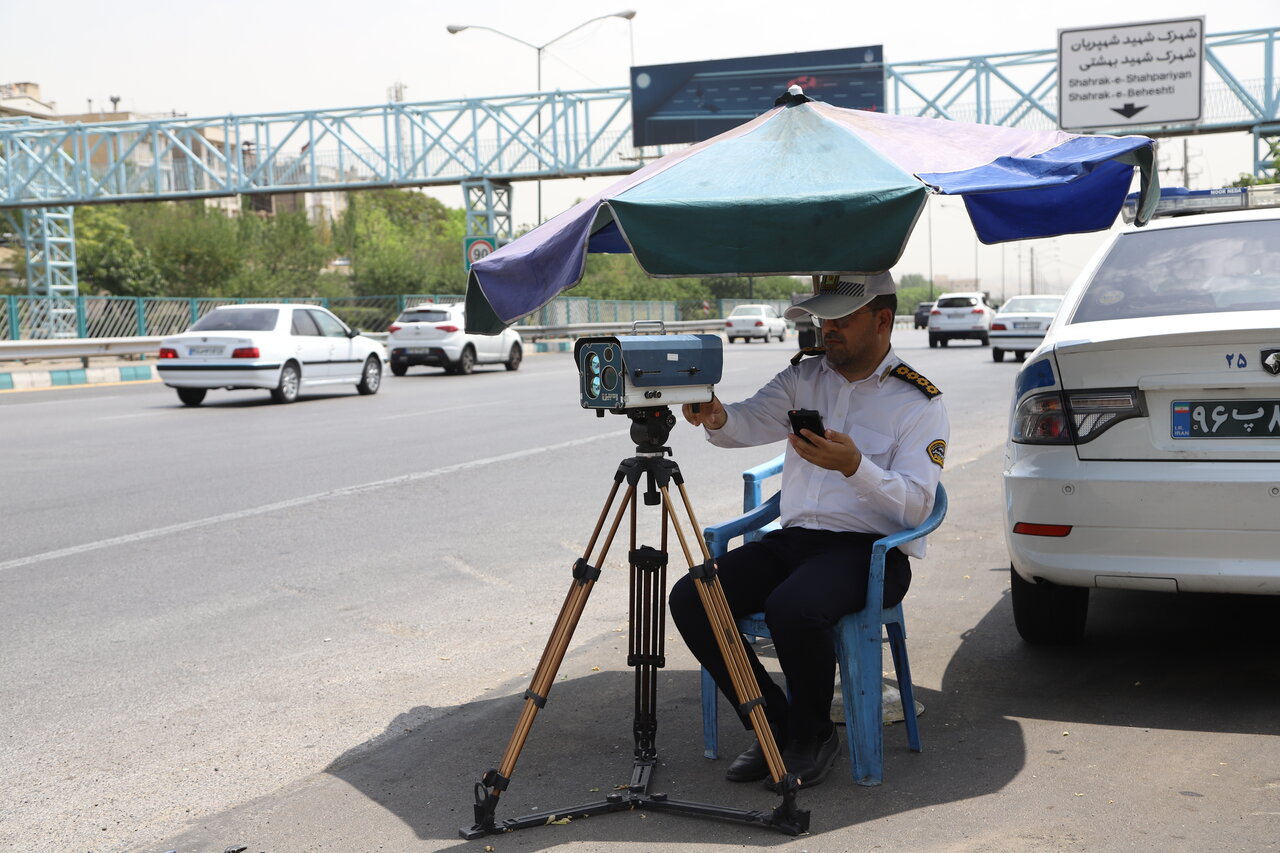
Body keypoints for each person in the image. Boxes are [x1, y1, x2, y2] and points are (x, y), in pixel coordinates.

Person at [669, 271, 949, 789]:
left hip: (870, 553)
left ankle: (814, 734)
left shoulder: (919, 402)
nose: (828, 330)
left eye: (842, 319)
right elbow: (747, 421)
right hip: (795, 540)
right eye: (823, 319)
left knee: (793, 607)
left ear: (883, 320)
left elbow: (916, 509)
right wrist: (715, 415)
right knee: (692, 596)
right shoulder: (803, 377)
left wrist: (855, 467)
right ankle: (774, 724)